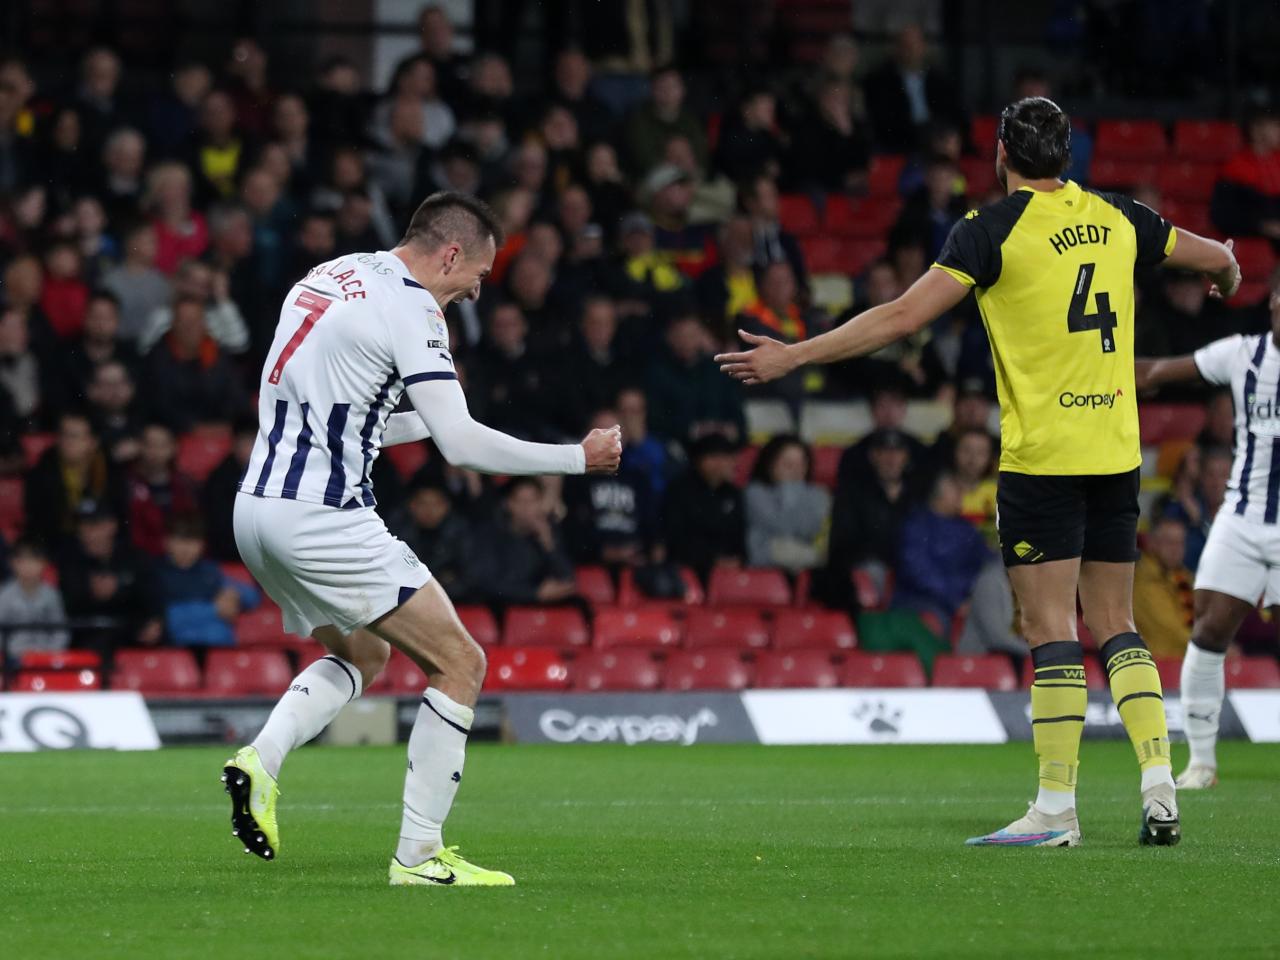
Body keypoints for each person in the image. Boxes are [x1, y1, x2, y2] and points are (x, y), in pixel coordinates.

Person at [717, 95, 1241, 847]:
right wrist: (1225, 268)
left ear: (1002, 154)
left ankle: (1056, 808)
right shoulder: (1120, 217)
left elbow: (900, 316)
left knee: (1052, 627)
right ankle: (1160, 782)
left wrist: (794, 354)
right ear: (1067, 157)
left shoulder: (989, 231)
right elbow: (1208, 253)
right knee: (1118, 623)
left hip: (1045, 460)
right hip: (1115, 454)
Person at [221, 191, 621, 885]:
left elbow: (359, 419)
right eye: (480, 274)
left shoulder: (331, 275)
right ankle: (420, 856)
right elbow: (463, 446)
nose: (475, 291)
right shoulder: (413, 307)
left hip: (256, 509)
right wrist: (575, 459)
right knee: (461, 664)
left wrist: (440, 419)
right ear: (450, 253)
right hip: (323, 516)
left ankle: (259, 760)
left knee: (365, 653)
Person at [1133, 283, 1280, 790]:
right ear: (1273, 303)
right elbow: (1155, 372)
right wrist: (1090, 367)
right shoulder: (1241, 354)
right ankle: (1201, 763)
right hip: (1239, 520)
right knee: (1208, 632)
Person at [471, 477, 579, 604]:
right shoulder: (491, 533)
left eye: (533, 501)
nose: (527, 508)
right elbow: (489, 583)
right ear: (508, 504)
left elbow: (568, 579)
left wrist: (549, 545)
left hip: (545, 607)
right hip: (505, 607)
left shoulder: (550, 530)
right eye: (521, 501)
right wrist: (534, 593)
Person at [152, 515, 255, 648]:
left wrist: (235, 594)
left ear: (202, 545)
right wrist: (214, 610)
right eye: (179, 541)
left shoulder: (209, 571)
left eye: (193, 542)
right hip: (178, 653)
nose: (186, 549)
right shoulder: (155, 574)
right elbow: (165, 618)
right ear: (166, 542)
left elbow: (253, 597)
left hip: (221, 651)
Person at [662, 433, 744, 582]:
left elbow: (740, 536)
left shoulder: (733, 494)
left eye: (727, 457)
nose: (722, 463)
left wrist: (737, 559)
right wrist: (712, 560)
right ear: (699, 460)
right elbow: (677, 539)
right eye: (716, 457)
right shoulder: (680, 490)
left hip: (729, 573)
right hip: (689, 572)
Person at [745, 435, 830, 574]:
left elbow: (812, 529)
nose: (796, 470)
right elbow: (783, 527)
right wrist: (789, 488)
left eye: (801, 464)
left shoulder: (818, 494)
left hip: (806, 561)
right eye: (788, 464)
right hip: (766, 561)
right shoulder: (755, 492)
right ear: (770, 465)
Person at [1131, 516, 1194, 659]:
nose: (1176, 550)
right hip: (1158, 664)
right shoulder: (1142, 580)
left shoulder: (1183, 578)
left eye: (1180, 543)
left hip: (1183, 661)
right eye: (1169, 543)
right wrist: (1208, 647)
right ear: (1152, 543)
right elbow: (1169, 630)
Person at [0, 539, 68, 662]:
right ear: (12, 563)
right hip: (12, 658)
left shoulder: (52, 594)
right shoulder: (4, 595)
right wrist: (10, 652)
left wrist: (51, 651)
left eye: (33, 560)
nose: (28, 566)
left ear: (44, 563)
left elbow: (61, 631)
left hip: (46, 657)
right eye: (22, 561)